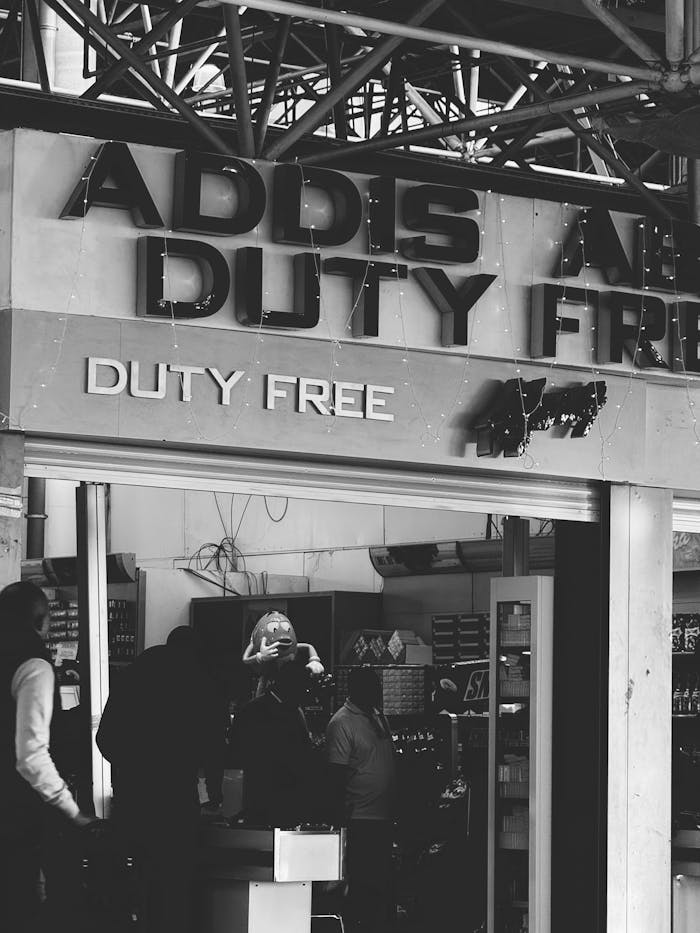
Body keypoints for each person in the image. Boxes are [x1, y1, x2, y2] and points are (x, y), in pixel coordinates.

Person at [96, 625, 225, 933]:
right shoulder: (199, 678)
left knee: (135, 877)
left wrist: (132, 769)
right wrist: (215, 793)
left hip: (131, 799)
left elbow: (105, 737)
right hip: (175, 801)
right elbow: (213, 745)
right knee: (173, 885)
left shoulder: (135, 673)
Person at [0, 580, 97, 933]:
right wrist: (69, 808)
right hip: (14, 818)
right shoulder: (33, 664)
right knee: (21, 909)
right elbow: (30, 754)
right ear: (43, 621)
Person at [326, 666, 397, 933]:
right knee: (364, 883)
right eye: (372, 687)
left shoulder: (377, 717)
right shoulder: (342, 722)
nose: (378, 692)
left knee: (380, 881)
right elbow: (336, 774)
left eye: (377, 686)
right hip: (360, 818)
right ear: (355, 690)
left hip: (382, 816)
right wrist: (338, 819)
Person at [232, 661, 321, 827]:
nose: (305, 694)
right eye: (303, 688)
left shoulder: (288, 710)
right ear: (291, 686)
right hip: (268, 796)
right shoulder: (260, 712)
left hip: (274, 796)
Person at [242, 609, 324, 696]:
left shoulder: (292, 647)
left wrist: (314, 660)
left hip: (287, 676)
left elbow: (308, 646)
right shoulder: (255, 640)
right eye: (274, 629)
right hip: (267, 675)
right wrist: (260, 657)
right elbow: (245, 659)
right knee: (261, 696)